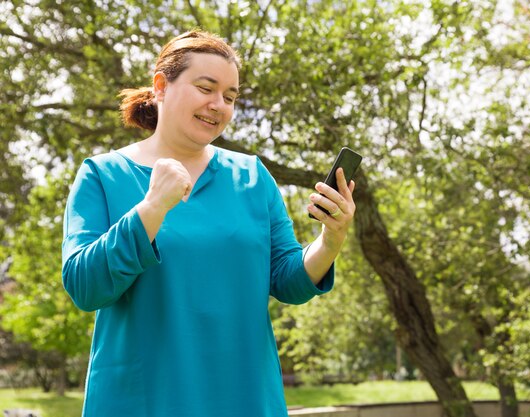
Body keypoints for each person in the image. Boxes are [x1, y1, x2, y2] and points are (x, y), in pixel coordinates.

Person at [61, 30, 356, 417]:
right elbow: (85, 287)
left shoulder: (251, 176)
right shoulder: (103, 175)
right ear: (161, 86)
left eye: (230, 97)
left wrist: (330, 240)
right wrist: (152, 208)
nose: (218, 105)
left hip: (246, 399)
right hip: (143, 402)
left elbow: (287, 279)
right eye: (206, 88)